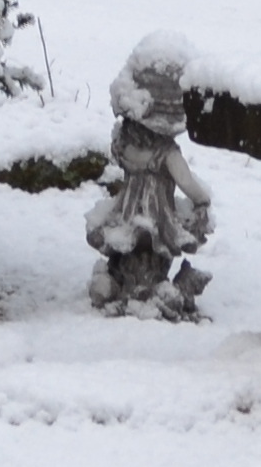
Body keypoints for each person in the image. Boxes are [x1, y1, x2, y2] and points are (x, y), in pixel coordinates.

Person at [87, 33, 213, 318]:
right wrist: (202, 200)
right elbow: (186, 182)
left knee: (127, 243)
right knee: (152, 246)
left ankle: (118, 281)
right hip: (159, 215)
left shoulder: (124, 142)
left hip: (127, 211)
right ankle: (151, 289)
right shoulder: (167, 153)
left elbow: (122, 157)